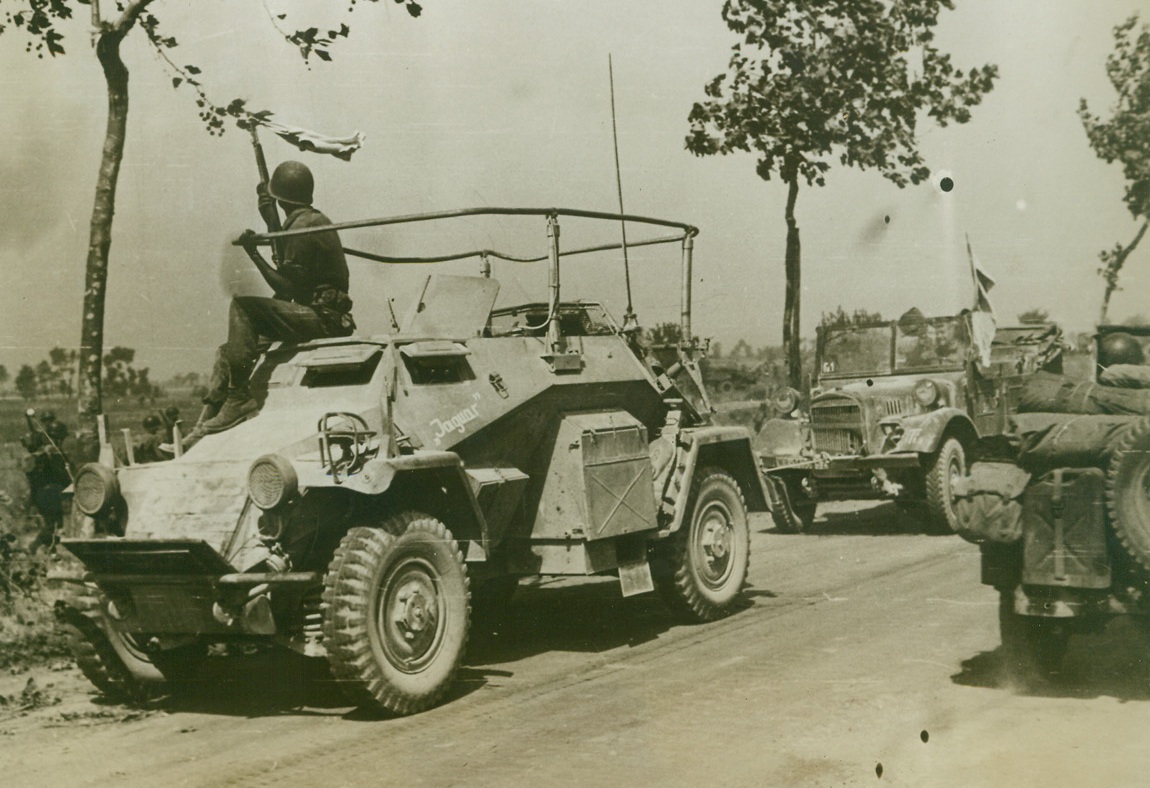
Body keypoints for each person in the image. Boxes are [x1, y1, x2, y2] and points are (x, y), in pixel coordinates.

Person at [183, 161, 356, 444]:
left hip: (324, 318)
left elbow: (286, 287)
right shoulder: (302, 222)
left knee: (243, 307)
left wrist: (253, 253)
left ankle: (239, 398)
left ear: (279, 197)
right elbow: (290, 273)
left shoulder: (305, 227)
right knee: (228, 353)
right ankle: (202, 430)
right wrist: (270, 219)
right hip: (308, 312)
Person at [20, 411, 72, 553]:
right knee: (54, 525)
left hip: (44, 494)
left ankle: (50, 550)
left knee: (53, 525)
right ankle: (34, 547)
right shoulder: (50, 453)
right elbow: (62, 475)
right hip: (50, 494)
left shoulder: (48, 451)